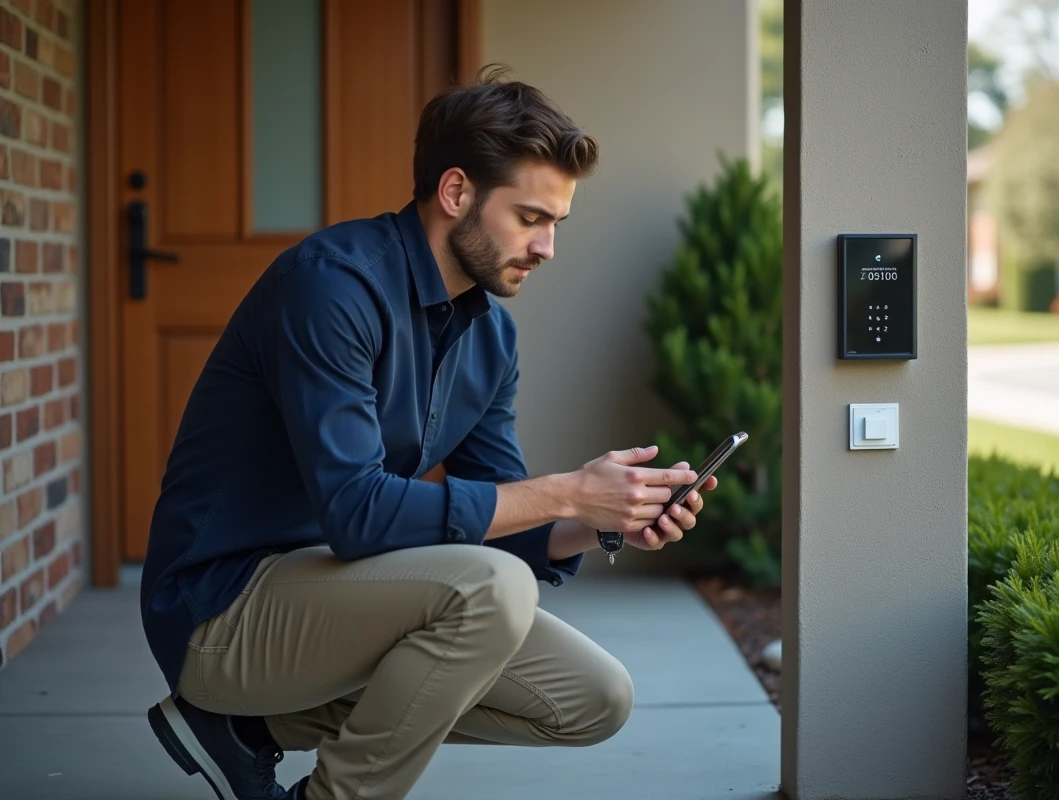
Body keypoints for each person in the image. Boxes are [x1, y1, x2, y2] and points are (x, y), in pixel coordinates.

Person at [139, 66, 718, 800]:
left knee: (593, 698)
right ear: (456, 193)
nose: (547, 248)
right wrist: (568, 490)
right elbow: (359, 515)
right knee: (492, 592)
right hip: (221, 611)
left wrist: (598, 519)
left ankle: (249, 729)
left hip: (339, 599)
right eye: (531, 218)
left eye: (556, 225)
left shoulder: (489, 338)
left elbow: (501, 521)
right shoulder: (329, 287)